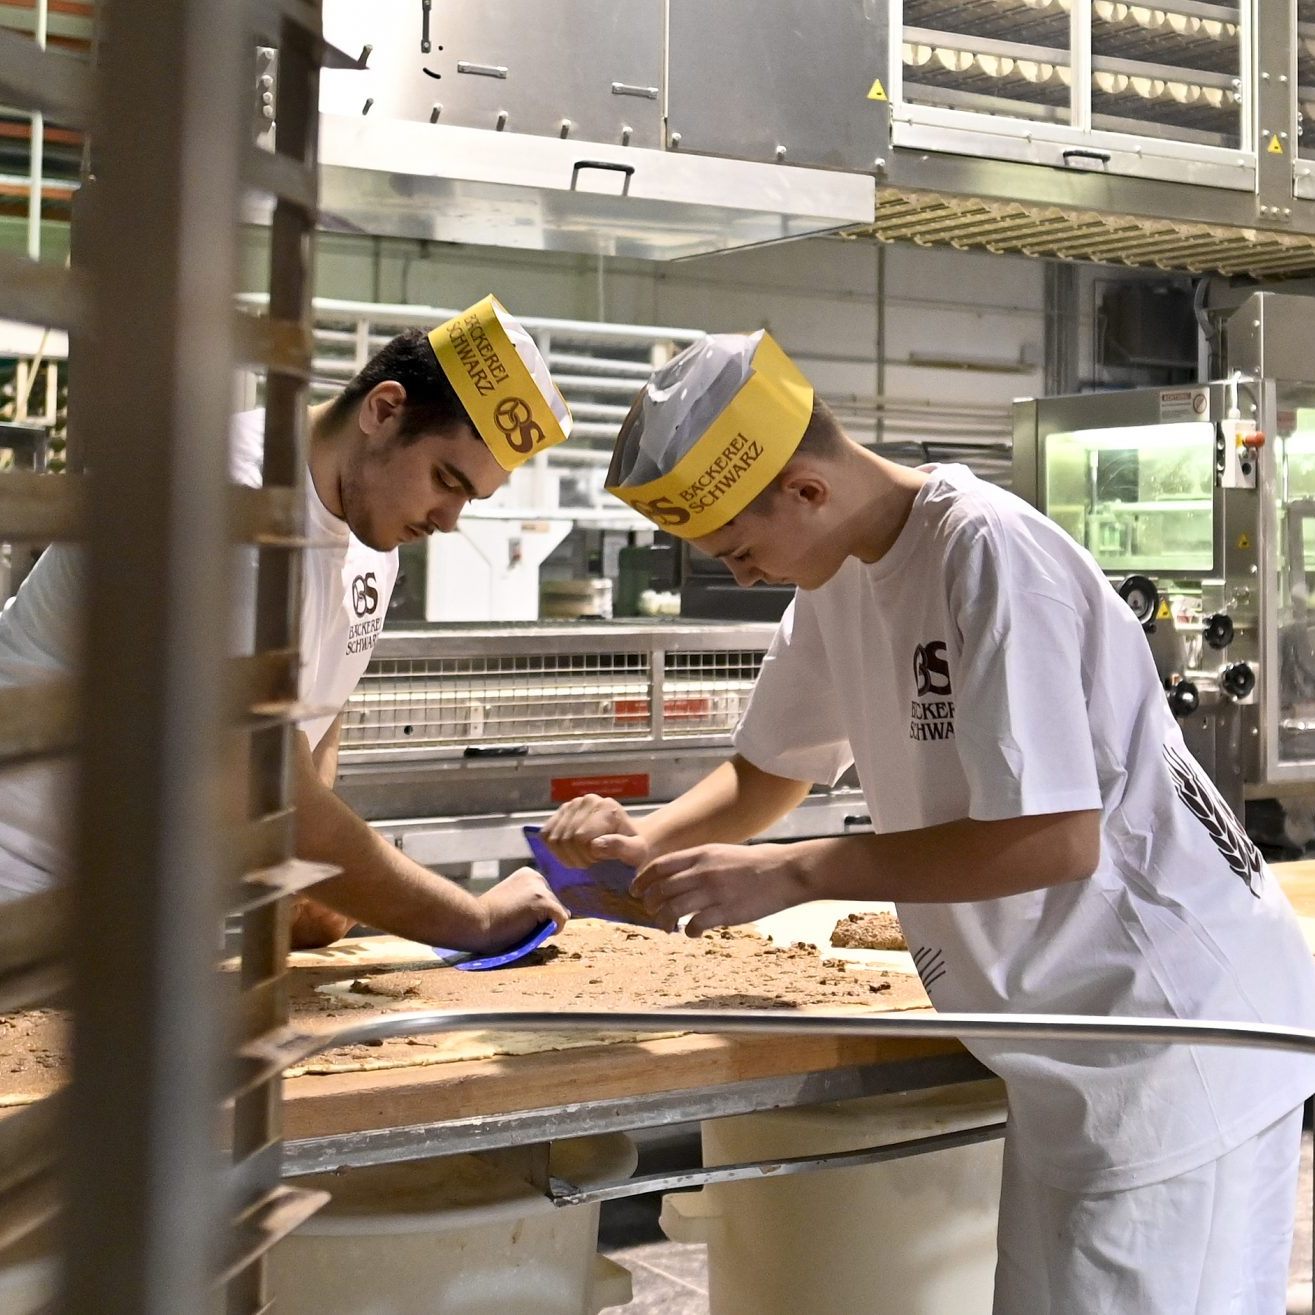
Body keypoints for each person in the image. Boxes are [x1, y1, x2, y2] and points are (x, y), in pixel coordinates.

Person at [541, 329, 1315, 1313]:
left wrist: (793, 871)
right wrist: (646, 842)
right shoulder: (834, 576)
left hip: (1170, 1030)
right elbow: (770, 769)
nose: (743, 575)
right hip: (1070, 1046)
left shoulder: (983, 551)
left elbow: (1052, 839)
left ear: (806, 489)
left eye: (739, 549)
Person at [0, 295, 569, 952]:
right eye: (446, 479)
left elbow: (314, 721)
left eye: (469, 497)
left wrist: (303, 885)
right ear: (383, 410)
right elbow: (261, 781)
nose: (448, 519)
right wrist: (473, 919)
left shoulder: (372, 535)